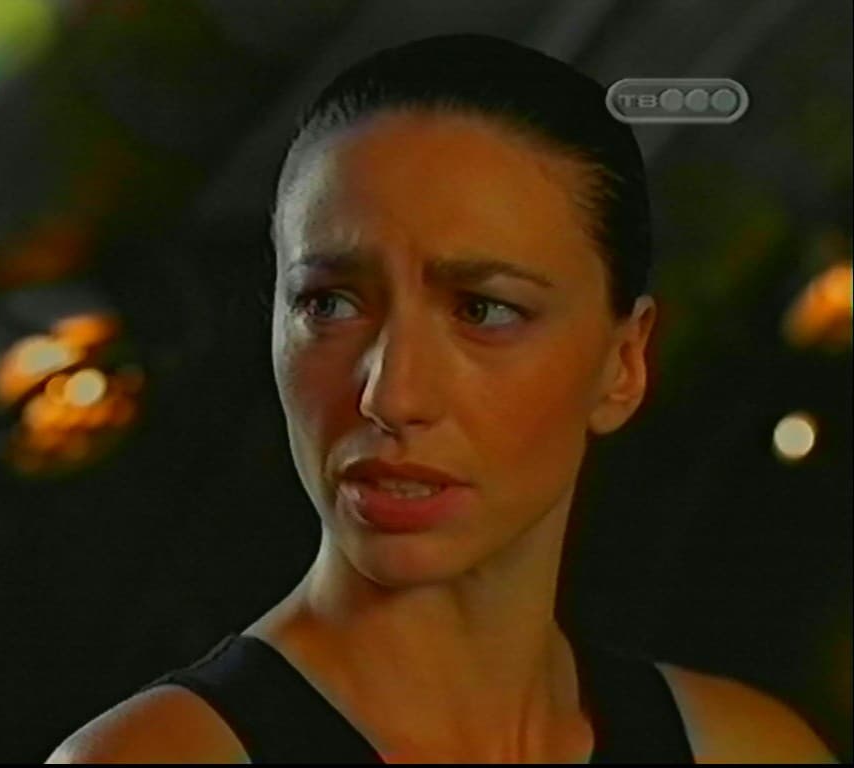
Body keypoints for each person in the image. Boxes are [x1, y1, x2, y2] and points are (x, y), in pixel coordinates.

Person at [47, 34, 836, 764]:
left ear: (623, 364)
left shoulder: (748, 752)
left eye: (483, 310)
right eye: (330, 304)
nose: (391, 394)